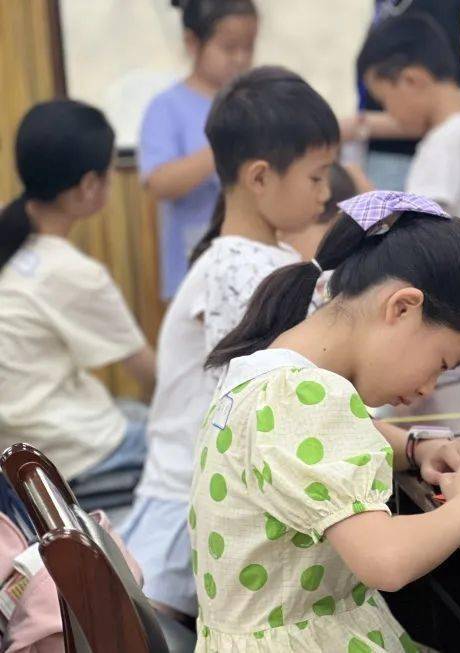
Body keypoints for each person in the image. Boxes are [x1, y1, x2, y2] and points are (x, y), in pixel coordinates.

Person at [191, 191, 460, 649]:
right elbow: (385, 560)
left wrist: (417, 448)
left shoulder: (270, 369)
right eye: (443, 362)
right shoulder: (307, 396)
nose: (429, 387)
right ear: (402, 308)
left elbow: (323, 445)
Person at [122, 66, 338, 619]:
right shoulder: (239, 270)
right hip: (191, 523)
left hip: (204, 510)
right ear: (260, 178)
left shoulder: (264, 257)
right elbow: (256, 416)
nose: (326, 193)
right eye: (316, 177)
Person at [0, 100, 155, 493]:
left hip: (17, 446)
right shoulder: (71, 272)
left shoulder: (10, 236)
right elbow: (151, 376)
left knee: (131, 411)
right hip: (68, 452)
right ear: (88, 186)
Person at [139, 0, 257, 298]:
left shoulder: (257, 103)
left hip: (256, 260)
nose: (241, 58)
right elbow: (158, 183)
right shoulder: (166, 107)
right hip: (195, 265)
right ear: (193, 42)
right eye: (229, 48)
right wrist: (224, 144)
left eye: (249, 46)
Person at [356, 13, 460, 238]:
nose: (390, 114)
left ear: (412, 80)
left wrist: (359, 188)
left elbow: (411, 230)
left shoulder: (444, 142)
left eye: (385, 101)